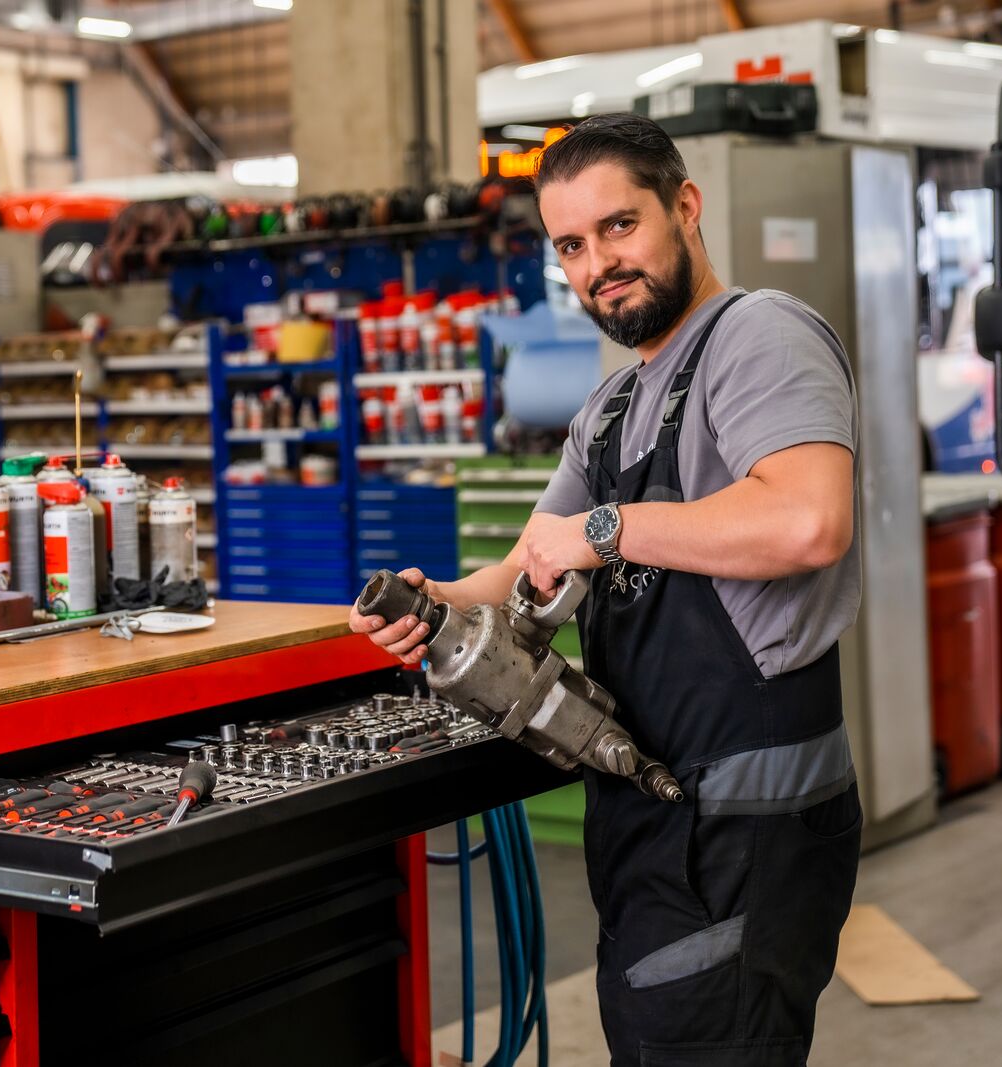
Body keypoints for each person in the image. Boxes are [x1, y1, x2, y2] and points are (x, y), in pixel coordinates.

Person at [350, 112, 863, 1066]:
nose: (598, 265)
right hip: (650, 816)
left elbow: (807, 520)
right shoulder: (617, 403)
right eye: (572, 246)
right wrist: (435, 604)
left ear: (685, 206)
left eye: (619, 227)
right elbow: (523, 565)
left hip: (742, 828)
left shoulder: (758, 337)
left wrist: (605, 528)